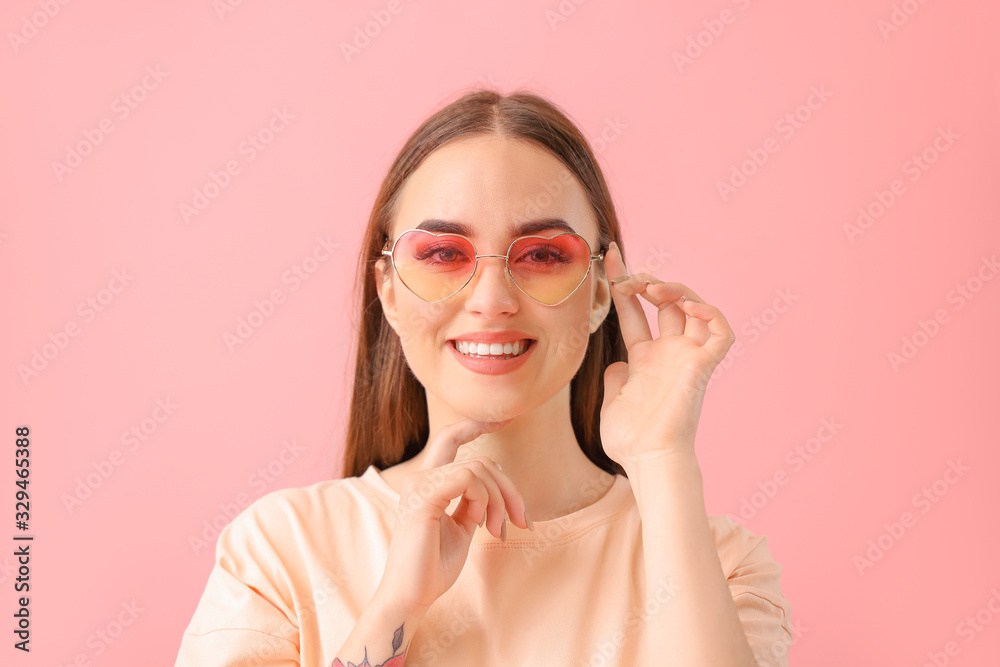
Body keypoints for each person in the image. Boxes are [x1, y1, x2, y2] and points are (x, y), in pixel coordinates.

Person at [175, 88, 794, 667]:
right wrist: (393, 611)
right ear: (387, 290)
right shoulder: (280, 550)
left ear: (602, 289)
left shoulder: (722, 564)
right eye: (444, 254)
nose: (492, 299)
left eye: (544, 255)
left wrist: (661, 460)